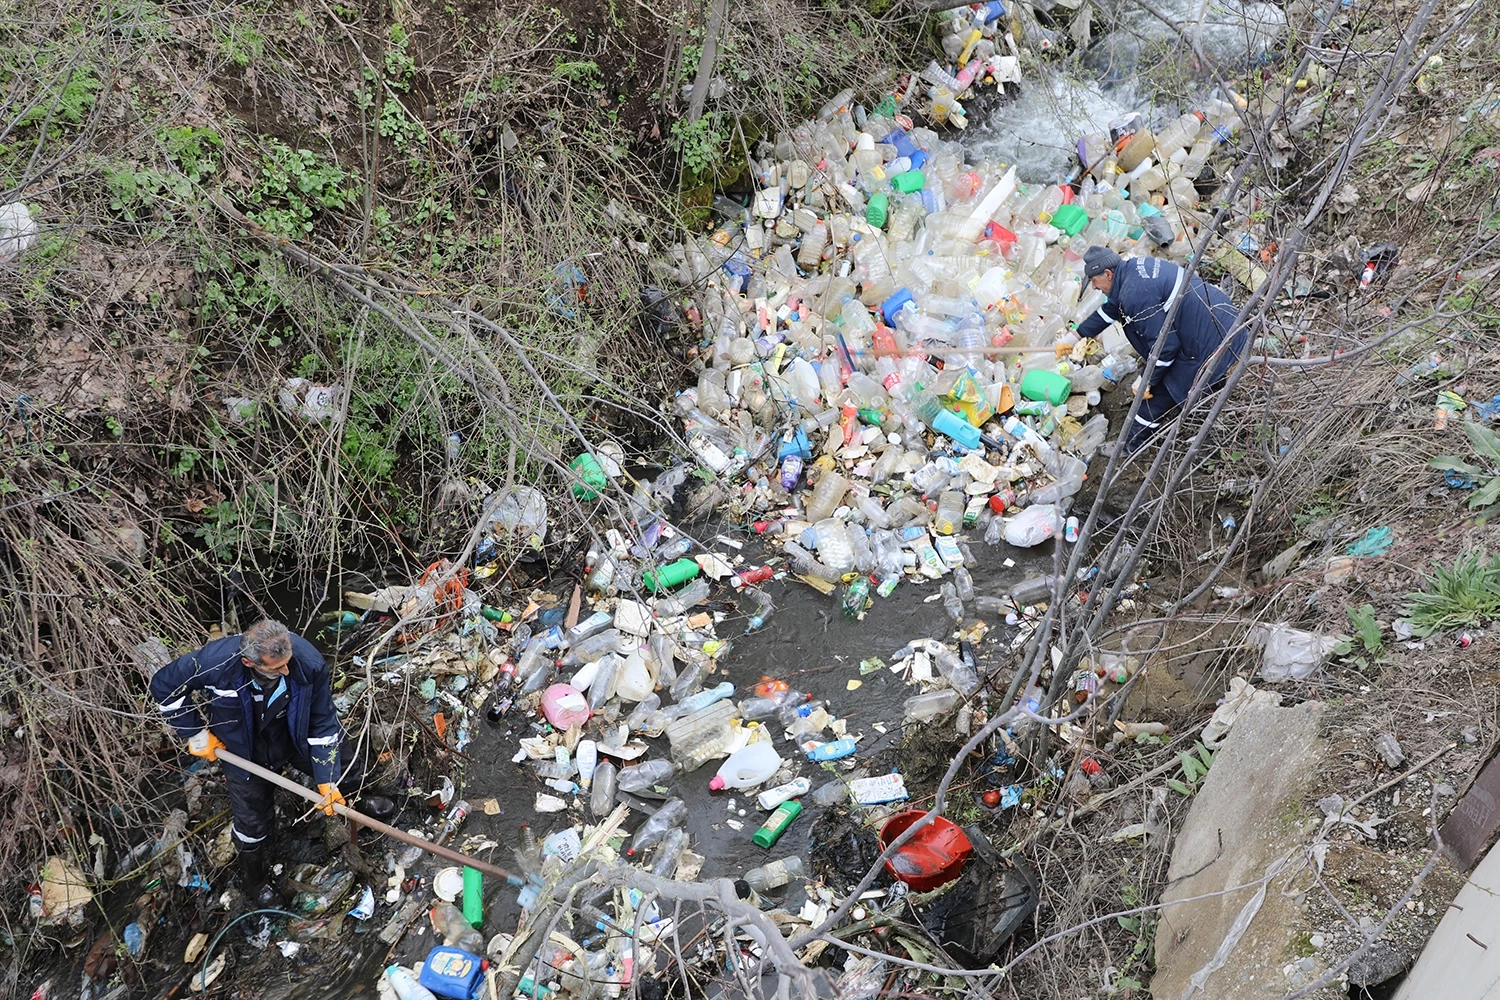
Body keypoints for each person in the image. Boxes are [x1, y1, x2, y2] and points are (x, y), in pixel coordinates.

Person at [149, 619, 363, 904]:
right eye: (277, 668)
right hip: (242, 751)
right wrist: (196, 733)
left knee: (346, 766)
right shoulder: (215, 662)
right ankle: (254, 879)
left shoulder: (307, 661)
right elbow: (165, 686)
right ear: (251, 663)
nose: (286, 670)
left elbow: (323, 721)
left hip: (292, 734)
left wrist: (326, 777)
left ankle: (361, 804)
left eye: (287, 662)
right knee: (252, 822)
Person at [1075, 247, 1248, 449]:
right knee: (1179, 377)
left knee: (1157, 396)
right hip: (1227, 323)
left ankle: (1130, 445)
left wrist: (1146, 380)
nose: (1094, 287)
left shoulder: (1135, 295)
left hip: (1209, 341)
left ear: (1107, 274)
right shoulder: (1132, 271)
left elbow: (1165, 348)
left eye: (1094, 281)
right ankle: (1209, 395)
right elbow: (1111, 309)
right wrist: (1074, 336)